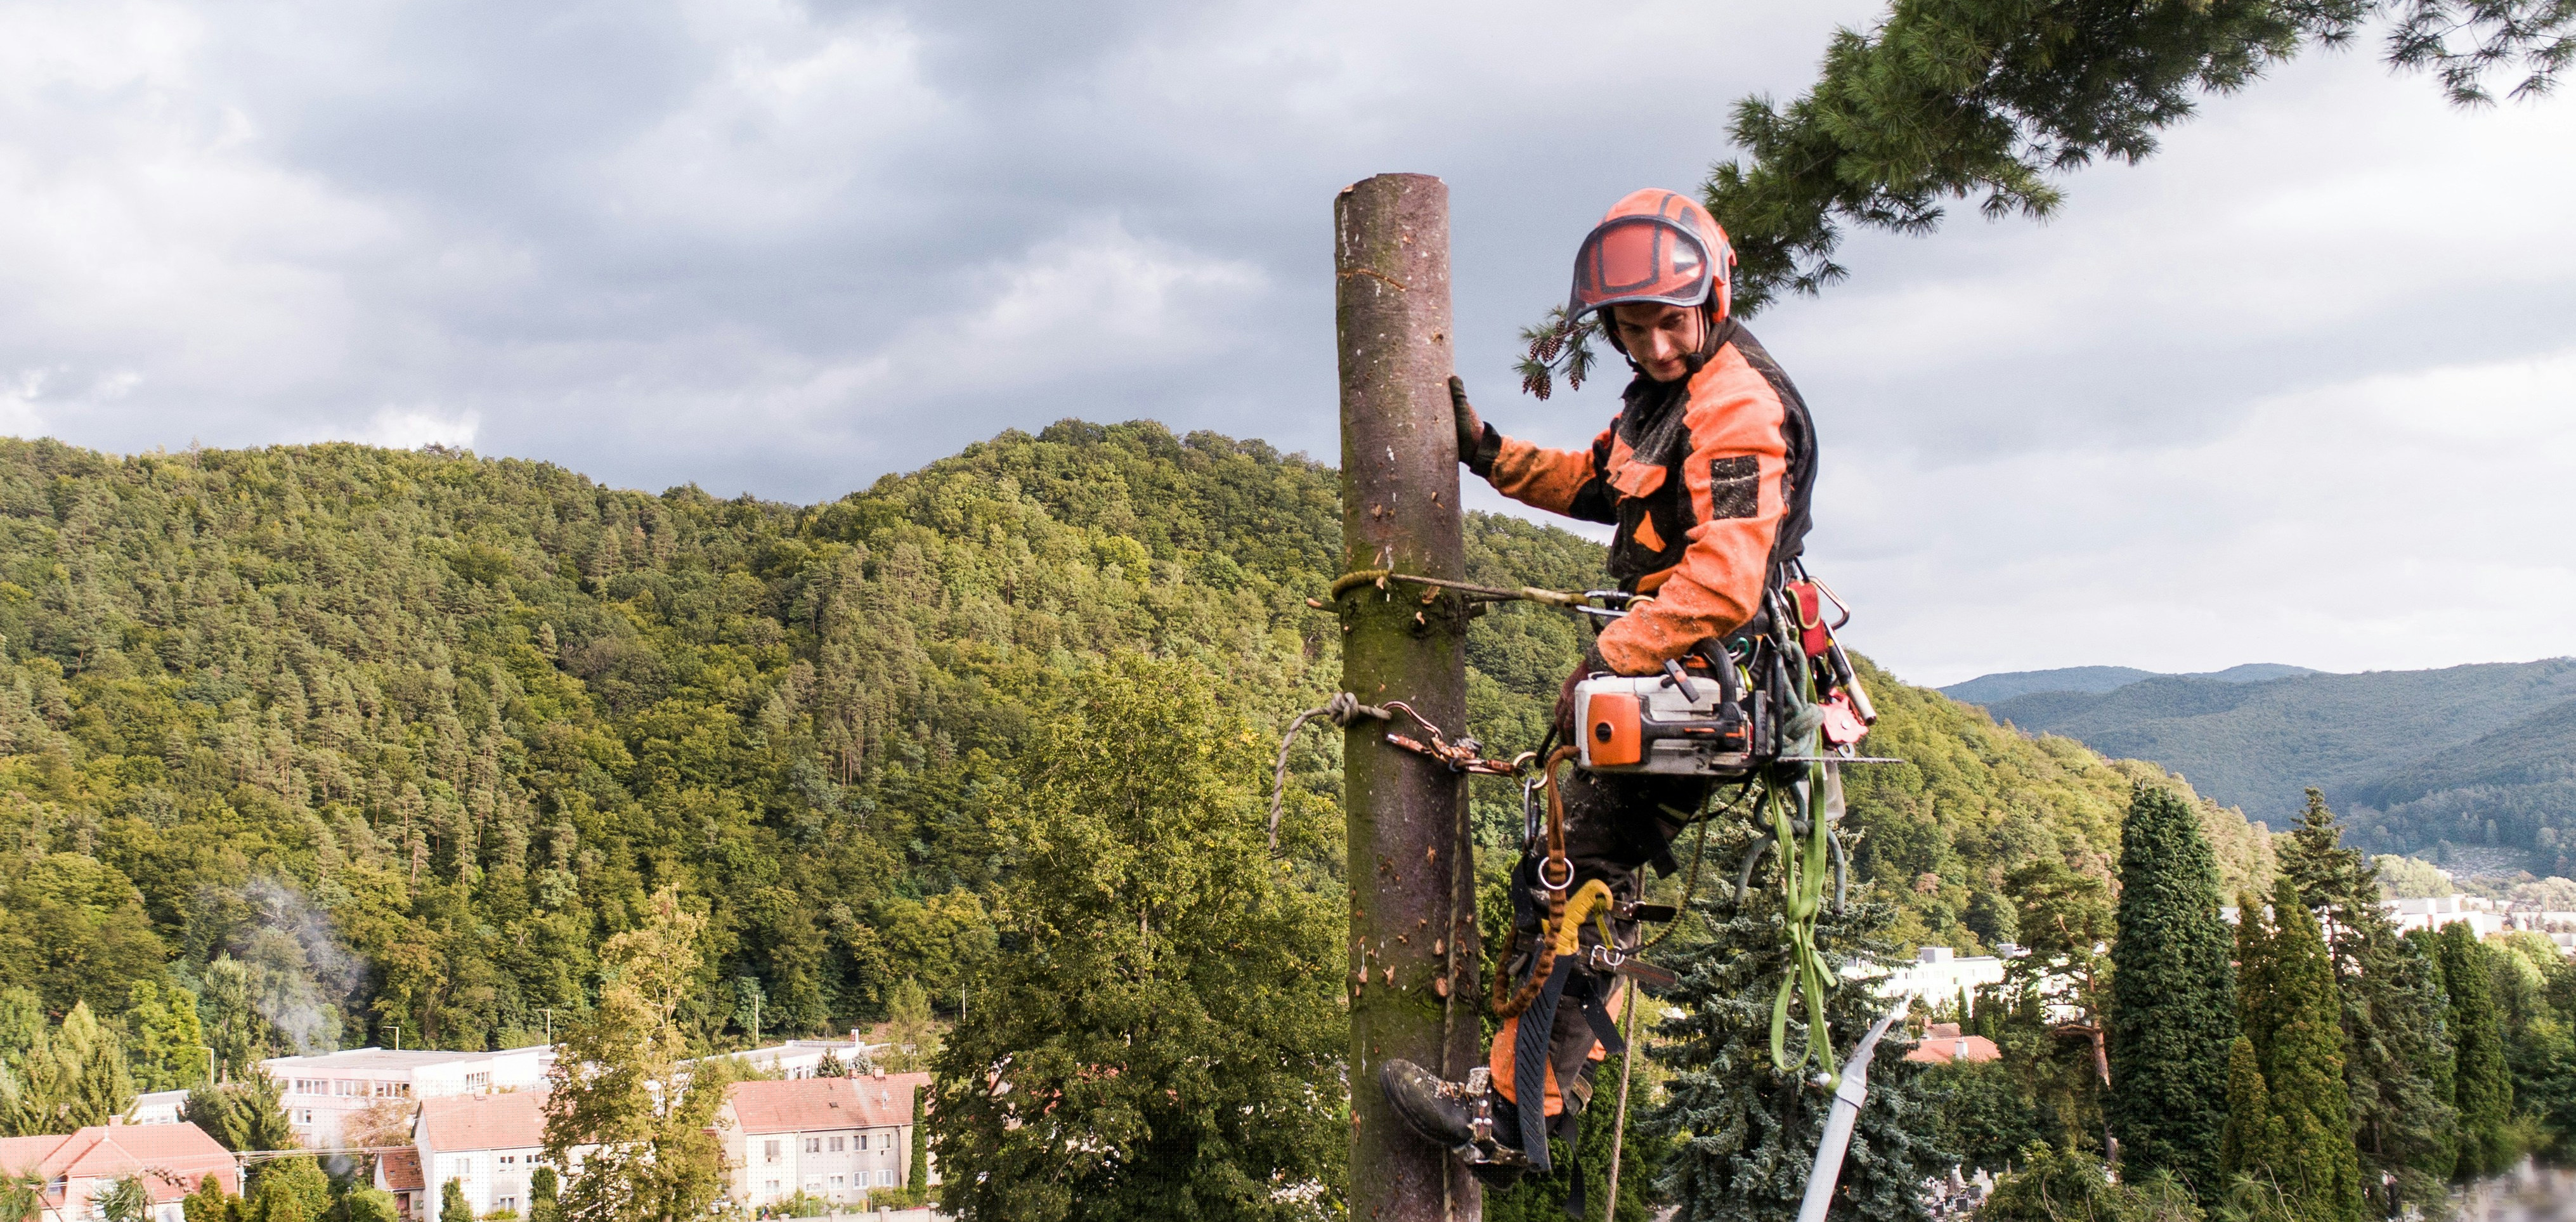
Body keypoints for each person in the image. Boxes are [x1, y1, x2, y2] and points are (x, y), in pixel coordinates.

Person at [1377, 188, 1818, 1184]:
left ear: (1711, 296)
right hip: (1666, 678)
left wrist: (1616, 649)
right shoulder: (1661, 400)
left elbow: (1725, 576)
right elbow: (1595, 480)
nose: (1656, 345)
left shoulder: (1737, 403)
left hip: (1700, 681)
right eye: (1633, 326)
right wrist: (1490, 456)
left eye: (1670, 321)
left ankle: (1508, 1110)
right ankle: (1526, 1101)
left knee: (1566, 873)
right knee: (1574, 868)